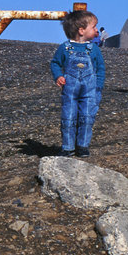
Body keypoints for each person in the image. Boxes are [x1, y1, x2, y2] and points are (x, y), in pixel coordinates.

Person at [50, 10, 105, 157]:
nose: (96, 31)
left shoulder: (93, 49)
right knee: (68, 117)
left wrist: (98, 87)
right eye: (94, 27)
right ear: (81, 30)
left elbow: (100, 68)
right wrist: (58, 76)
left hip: (90, 90)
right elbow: (55, 63)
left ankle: (83, 146)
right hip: (70, 90)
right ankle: (67, 147)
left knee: (87, 117)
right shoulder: (65, 48)